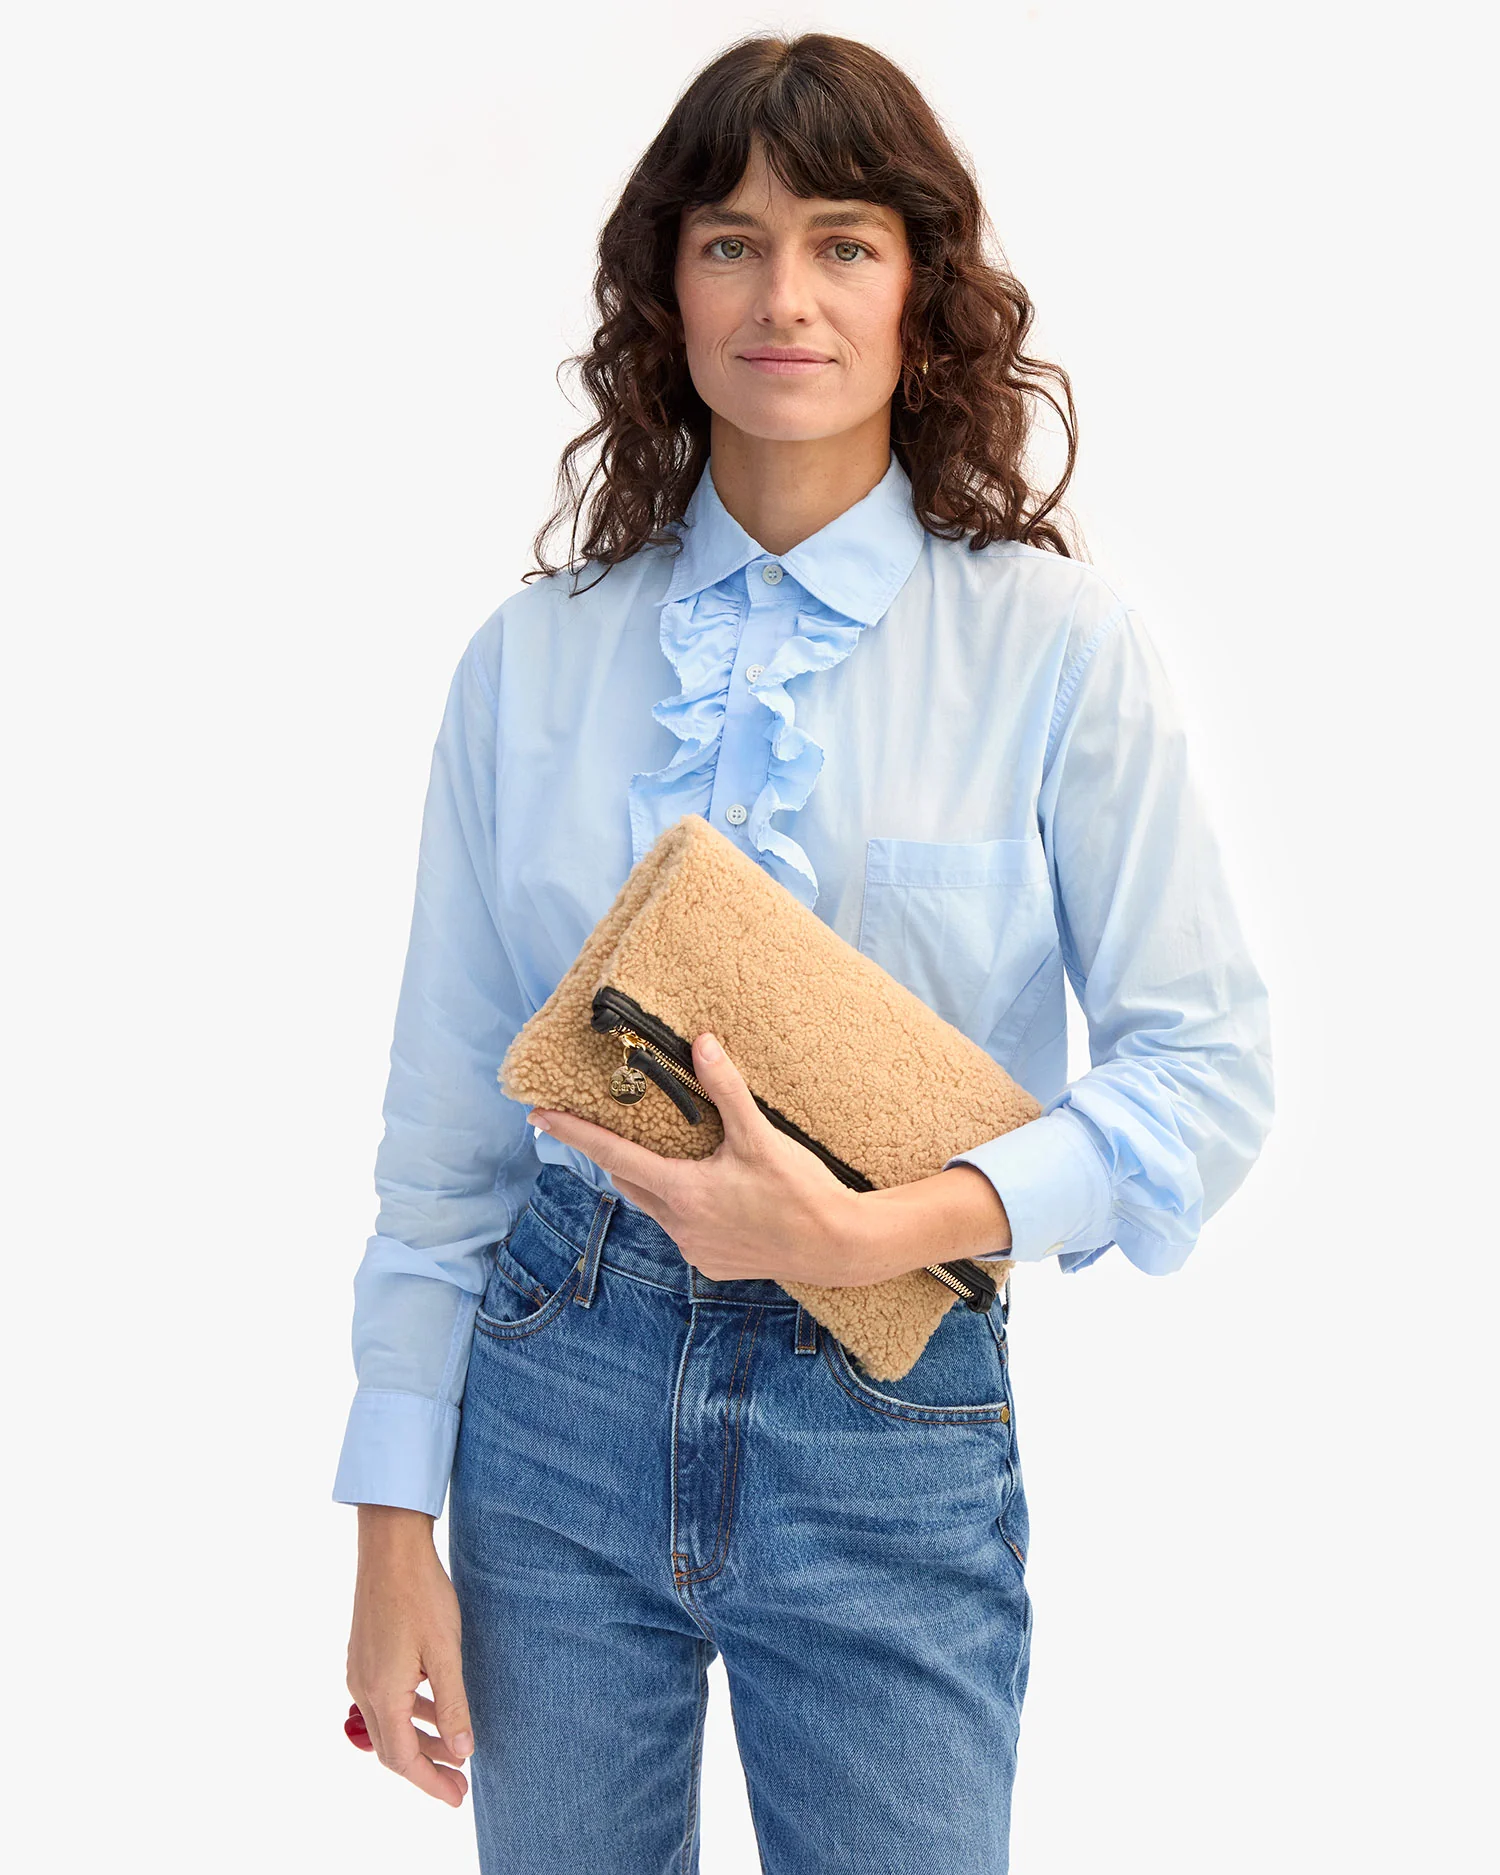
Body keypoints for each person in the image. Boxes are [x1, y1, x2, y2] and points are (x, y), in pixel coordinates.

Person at [335, 31, 1274, 1874]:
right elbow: (445, 1130)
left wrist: (870, 1229)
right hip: (554, 1386)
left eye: (844, 242)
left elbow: (1206, 1073)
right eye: (731, 243)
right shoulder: (530, 661)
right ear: (665, 290)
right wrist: (387, 1521)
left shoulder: (1055, 647)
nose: (785, 297)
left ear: (922, 291)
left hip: (885, 1404)